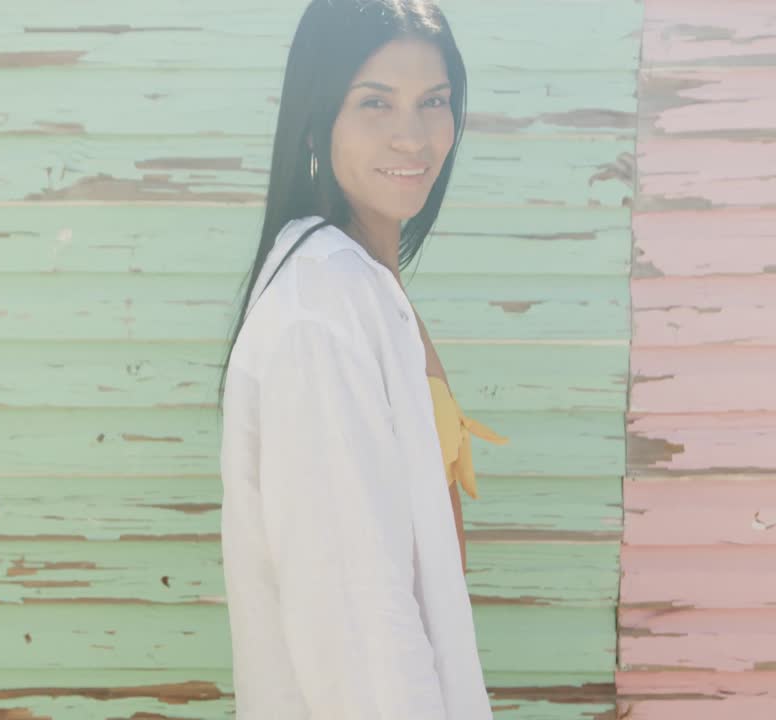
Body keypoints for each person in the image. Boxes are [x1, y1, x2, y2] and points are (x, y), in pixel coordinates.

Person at [216, 0, 507, 717]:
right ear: (318, 118)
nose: (413, 136)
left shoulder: (363, 286)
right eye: (375, 102)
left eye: (433, 101)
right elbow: (355, 619)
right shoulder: (319, 313)